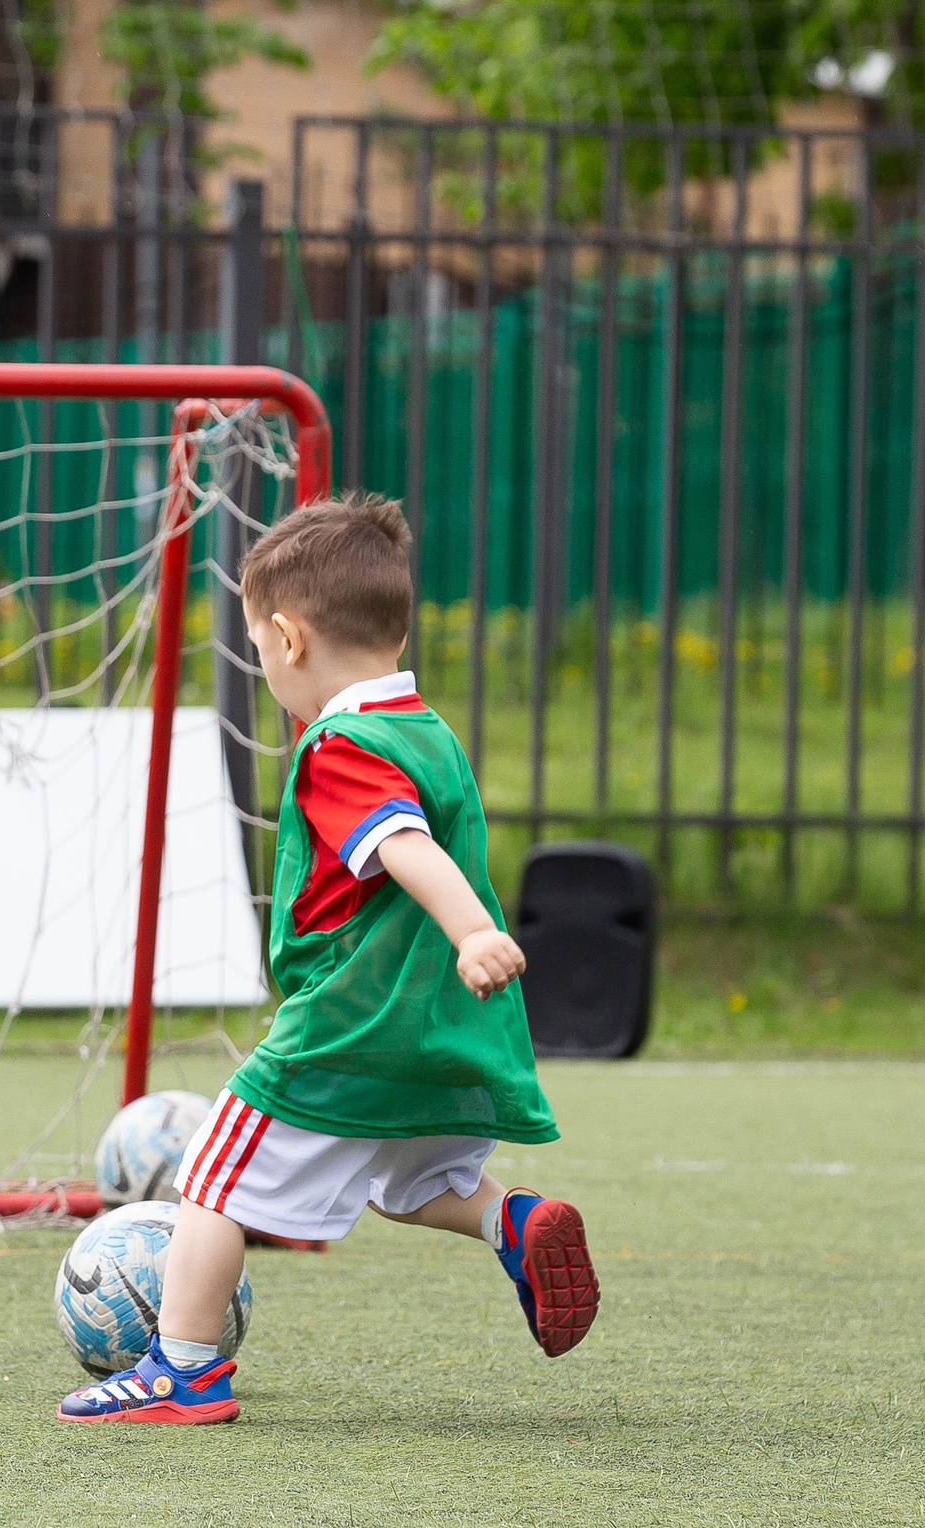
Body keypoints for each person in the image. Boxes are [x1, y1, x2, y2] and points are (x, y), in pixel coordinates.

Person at [60, 494, 599, 1425]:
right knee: (416, 1181)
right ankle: (508, 1221)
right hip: (440, 1024)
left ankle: (182, 1368)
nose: (266, 672)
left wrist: (473, 930)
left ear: (287, 636)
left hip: (354, 1021)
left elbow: (403, 846)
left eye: (259, 654)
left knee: (213, 1175)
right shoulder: (427, 728)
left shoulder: (341, 746)